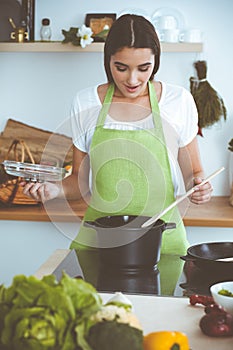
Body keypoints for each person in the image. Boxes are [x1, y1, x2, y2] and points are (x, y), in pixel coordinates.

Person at [22, 14, 213, 293]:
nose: (132, 79)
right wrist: (53, 190)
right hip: (100, 244)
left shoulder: (178, 101)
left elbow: (193, 175)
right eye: (121, 68)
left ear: (155, 62)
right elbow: (79, 182)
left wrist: (199, 188)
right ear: (108, 60)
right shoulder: (86, 102)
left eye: (144, 68)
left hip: (163, 243)